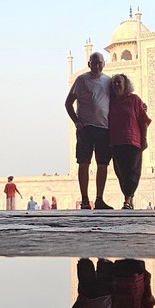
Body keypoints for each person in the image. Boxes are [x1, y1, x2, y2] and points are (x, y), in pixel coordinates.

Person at [65, 51, 113, 209]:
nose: (97, 66)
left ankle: (99, 199)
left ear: (104, 64)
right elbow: (68, 103)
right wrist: (76, 121)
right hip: (86, 128)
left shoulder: (109, 81)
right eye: (94, 63)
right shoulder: (81, 80)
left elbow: (120, 99)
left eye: (100, 63)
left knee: (102, 164)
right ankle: (85, 200)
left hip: (104, 128)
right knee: (84, 163)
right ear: (89, 64)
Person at [108, 73, 151, 210]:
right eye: (114, 82)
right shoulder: (111, 101)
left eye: (119, 82)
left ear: (125, 84)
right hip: (116, 141)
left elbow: (143, 120)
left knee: (132, 171)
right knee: (120, 172)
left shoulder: (134, 99)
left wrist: (144, 139)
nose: (117, 85)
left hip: (133, 141)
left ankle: (127, 200)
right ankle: (129, 199)